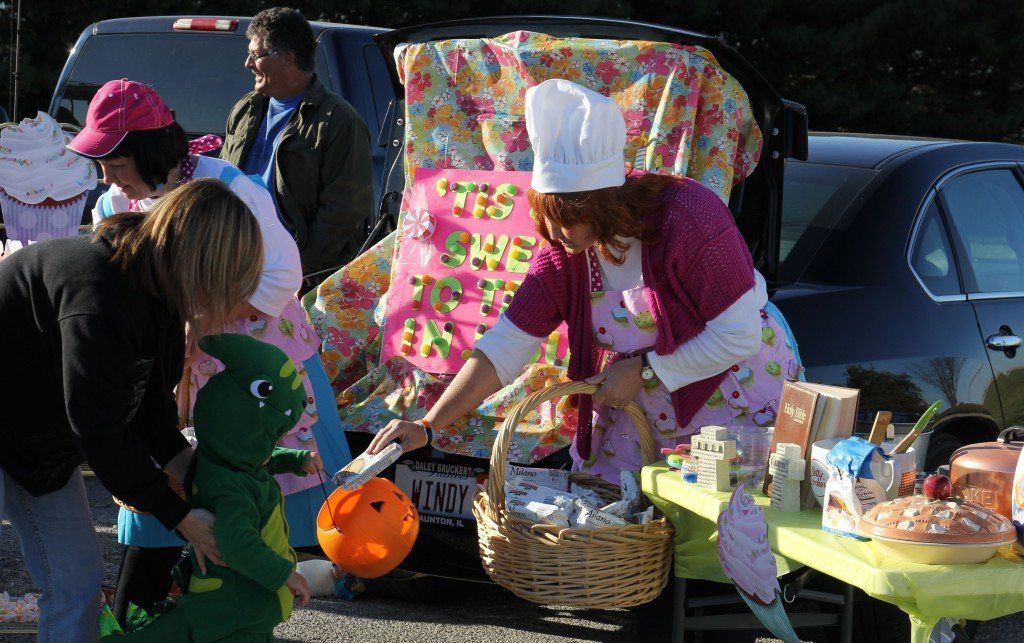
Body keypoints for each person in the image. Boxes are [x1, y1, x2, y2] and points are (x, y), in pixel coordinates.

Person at [370, 79, 796, 481]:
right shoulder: (564, 255)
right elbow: (505, 347)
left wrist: (647, 370)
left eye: (567, 221)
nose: (553, 235)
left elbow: (738, 336)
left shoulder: (689, 218)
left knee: (721, 539)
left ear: (604, 206)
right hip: (644, 414)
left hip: (735, 403)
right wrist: (429, 424)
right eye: (545, 219)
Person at [67, 78, 348, 624]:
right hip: (169, 361)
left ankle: (238, 599)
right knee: (167, 478)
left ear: (150, 153)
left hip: (242, 355)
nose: (107, 177)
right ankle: (150, 606)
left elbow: (284, 273)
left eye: (117, 162)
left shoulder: (230, 189)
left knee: (245, 492)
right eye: (101, 163)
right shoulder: (114, 200)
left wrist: (207, 307)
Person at [0, 179, 263, 642]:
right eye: (220, 283)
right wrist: (180, 516)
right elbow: (98, 430)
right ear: (197, 262)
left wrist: (204, 480)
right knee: (71, 585)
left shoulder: (155, 284)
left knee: (75, 586)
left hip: (35, 437)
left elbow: (149, 411)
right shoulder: (98, 293)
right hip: (23, 424)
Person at [221, 6, 373, 280]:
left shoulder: (338, 121)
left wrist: (293, 269)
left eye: (256, 55)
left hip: (297, 277)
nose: (248, 64)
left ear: (288, 58)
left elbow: (343, 213)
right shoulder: (245, 108)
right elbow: (223, 180)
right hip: (236, 265)